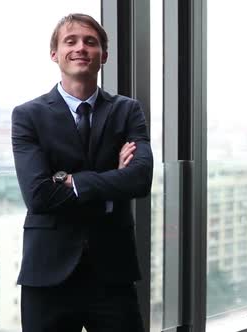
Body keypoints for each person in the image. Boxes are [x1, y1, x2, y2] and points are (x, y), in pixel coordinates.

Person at [11, 13, 153, 332]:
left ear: (104, 55)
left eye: (91, 42)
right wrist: (111, 179)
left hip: (112, 273)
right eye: (70, 41)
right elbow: (38, 195)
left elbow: (140, 178)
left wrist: (70, 180)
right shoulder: (28, 116)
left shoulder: (127, 110)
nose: (81, 48)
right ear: (55, 54)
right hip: (47, 274)